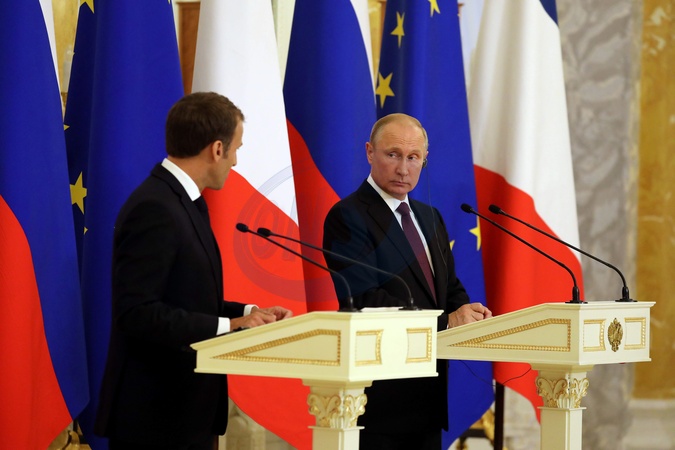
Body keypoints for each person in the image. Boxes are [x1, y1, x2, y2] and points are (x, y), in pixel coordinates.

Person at [95, 92, 292, 450]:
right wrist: (229, 325)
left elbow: (186, 298)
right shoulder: (155, 207)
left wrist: (250, 313)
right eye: (236, 149)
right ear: (216, 149)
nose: (235, 161)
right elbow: (137, 313)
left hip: (186, 414)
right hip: (156, 418)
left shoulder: (180, 200)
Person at [323, 113, 492, 450]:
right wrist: (447, 321)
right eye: (393, 154)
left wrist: (467, 312)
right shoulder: (348, 216)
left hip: (429, 398)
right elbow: (365, 300)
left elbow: (448, 288)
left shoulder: (430, 218)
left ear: (424, 159)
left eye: (413, 158)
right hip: (380, 404)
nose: (403, 168)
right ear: (370, 152)